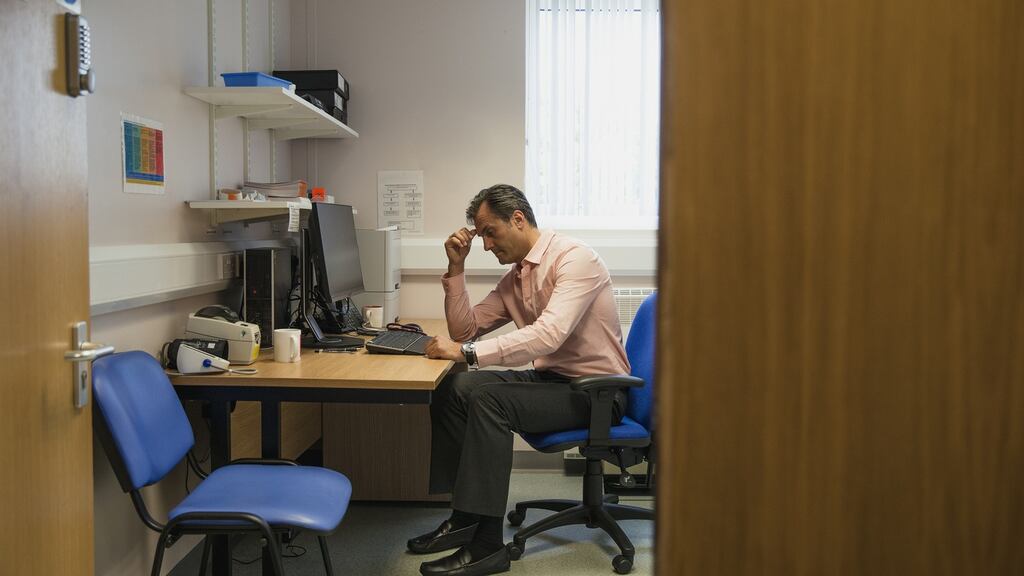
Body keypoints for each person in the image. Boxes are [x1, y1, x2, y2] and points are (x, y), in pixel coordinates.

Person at [408, 184, 630, 576]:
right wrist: (456, 268)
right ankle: (465, 519)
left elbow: (548, 336)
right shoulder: (517, 277)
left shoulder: (575, 260)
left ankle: (487, 547)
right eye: (481, 236)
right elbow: (465, 330)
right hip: (553, 381)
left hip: (598, 392)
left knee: (490, 400)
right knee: (456, 389)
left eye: (490, 232)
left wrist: (467, 353)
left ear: (518, 219)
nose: (486, 245)